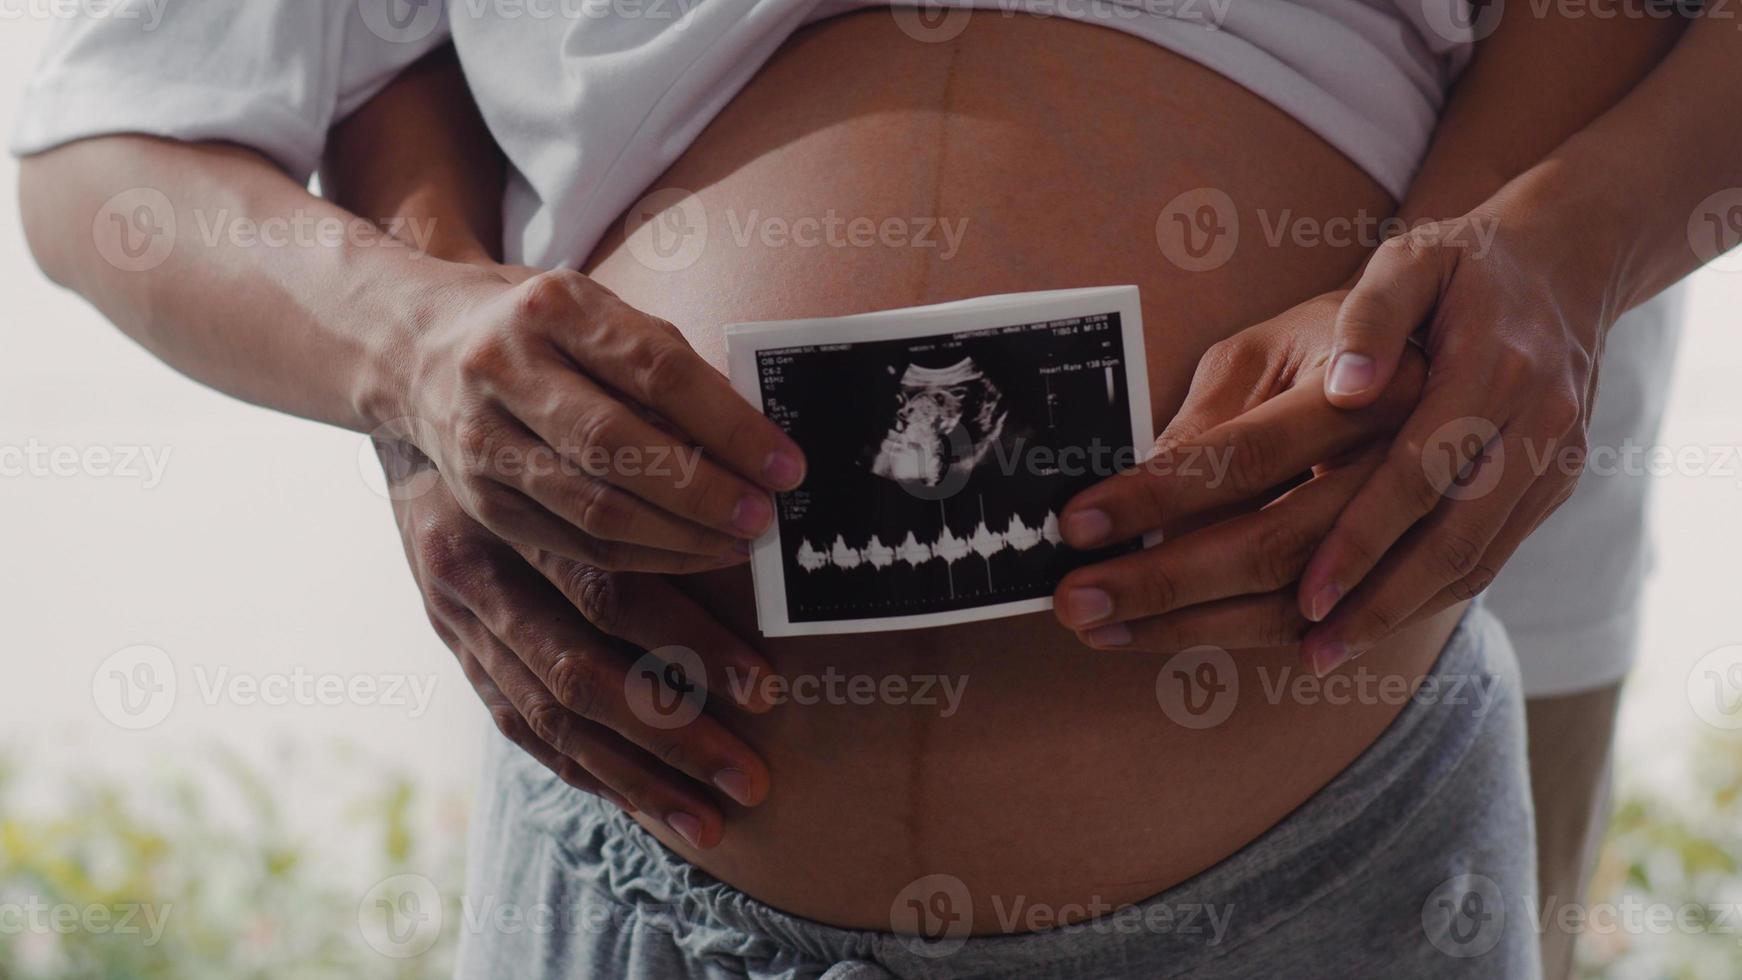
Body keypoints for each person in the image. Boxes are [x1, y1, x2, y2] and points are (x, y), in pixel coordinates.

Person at [15, 1, 1734, 976]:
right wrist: (406, 350)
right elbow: (113, 148)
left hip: (1309, 878)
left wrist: (1556, 256)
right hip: (647, 865)